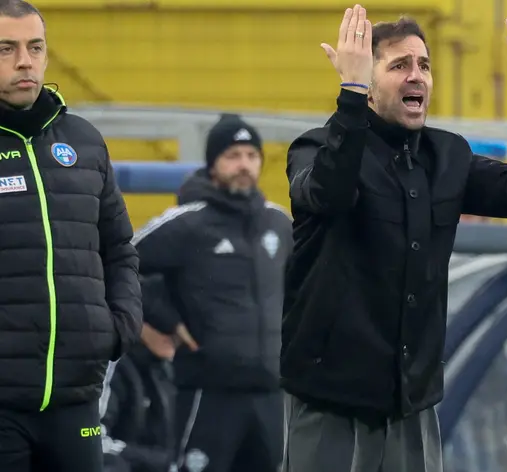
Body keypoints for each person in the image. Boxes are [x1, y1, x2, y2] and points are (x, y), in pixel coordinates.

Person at [282, 5, 507, 472]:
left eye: (424, 65)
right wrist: (350, 94)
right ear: (368, 84)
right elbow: (330, 193)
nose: (416, 75)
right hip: (331, 400)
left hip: (410, 403)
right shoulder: (313, 148)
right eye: (399, 65)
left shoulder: (446, 154)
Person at [0, 1, 142, 471]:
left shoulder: (83, 140)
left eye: (35, 47)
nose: (25, 61)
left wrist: (118, 327)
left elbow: (118, 248)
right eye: (6, 48)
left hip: (76, 393)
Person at [132, 114, 293, 472]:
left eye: (251, 156)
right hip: (208, 392)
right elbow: (120, 262)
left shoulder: (280, 224)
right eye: (233, 156)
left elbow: (303, 289)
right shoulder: (187, 223)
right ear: (213, 164)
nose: (244, 165)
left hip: (269, 394)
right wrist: (165, 319)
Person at [101, 275, 179, 472]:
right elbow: (95, 440)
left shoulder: (163, 369)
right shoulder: (113, 366)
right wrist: (161, 462)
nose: (177, 336)